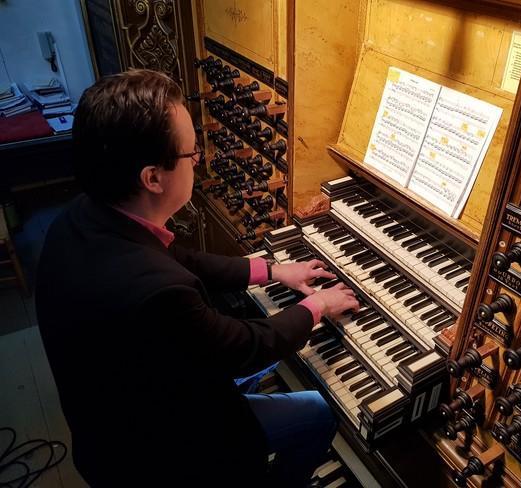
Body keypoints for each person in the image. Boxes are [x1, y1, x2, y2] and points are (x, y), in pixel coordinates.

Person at [35, 69, 359, 487]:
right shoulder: (159, 291)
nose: (200, 159)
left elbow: (176, 255)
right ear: (152, 177)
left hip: (113, 415)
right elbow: (244, 346)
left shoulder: (81, 217)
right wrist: (318, 305)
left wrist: (272, 269)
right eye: (192, 153)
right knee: (317, 411)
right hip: (158, 452)